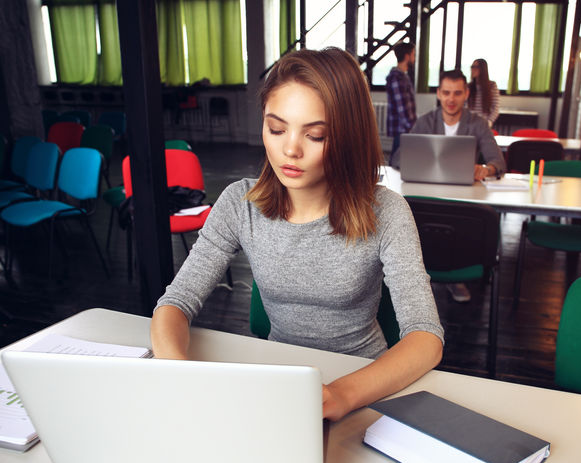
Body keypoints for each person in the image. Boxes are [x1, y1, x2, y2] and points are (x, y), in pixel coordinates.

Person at [151, 48, 444, 423]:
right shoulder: (239, 204)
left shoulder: (387, 212)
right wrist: (179, 375)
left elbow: (426, 339)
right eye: (276, 129)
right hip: (278, 383)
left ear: (348, 136)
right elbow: (175, 302)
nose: (290, 149)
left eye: (316, 135)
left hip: (363, 385)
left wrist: (340, 395)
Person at [390, 69, 506, 303]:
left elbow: (498, 162)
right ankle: (426, 276)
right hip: (427, 194)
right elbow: (397, 159)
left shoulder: (478, 124)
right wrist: (419, 161)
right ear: (438, 94)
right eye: (446, 93)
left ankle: (454, 277)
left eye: (457, 93)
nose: (451, 99)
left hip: (462, 197)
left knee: (459, 225)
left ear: (466, 94)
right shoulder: (425, 122)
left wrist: (486, 169)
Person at [385, 42, 417, 163]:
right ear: (407, 56)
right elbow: (402, 109)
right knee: (396, 161)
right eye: (413, 54)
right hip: (402, 129)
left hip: (404, 129)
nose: (414, 58)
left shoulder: (403, 76)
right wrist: (413, 129)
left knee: (400, 159)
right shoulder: (397, 78)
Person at [467, 58, 500, 127]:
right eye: (472, 67)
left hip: (485, 123)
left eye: (476, 67)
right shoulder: (468, 86)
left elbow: (495, 107)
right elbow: (464, 106)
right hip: (469, 123)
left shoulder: (492, 85)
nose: (473, 69)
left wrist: (489, 122)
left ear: (483, 69)